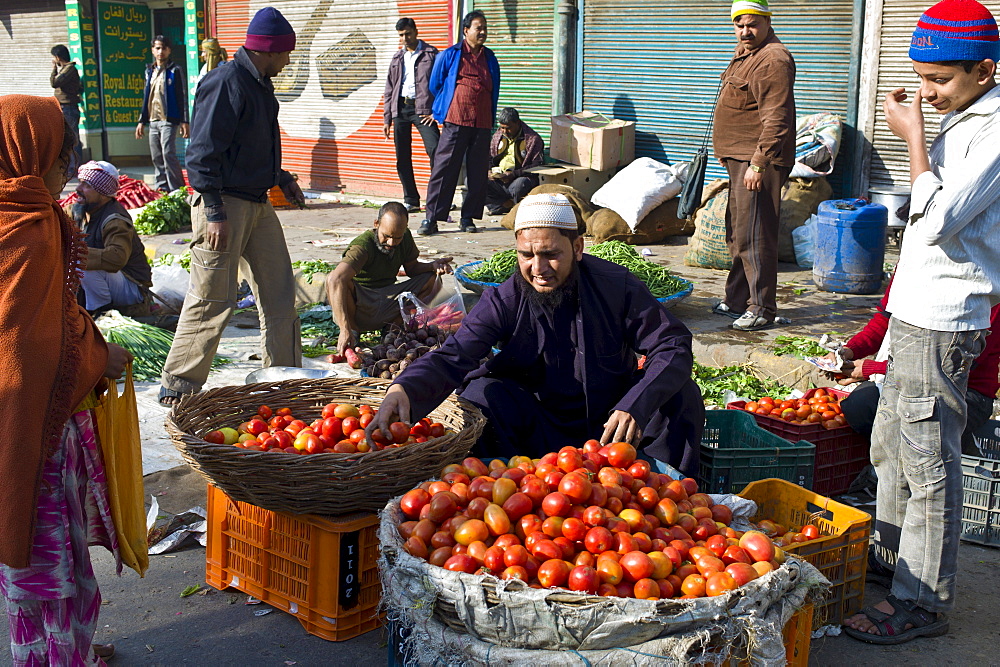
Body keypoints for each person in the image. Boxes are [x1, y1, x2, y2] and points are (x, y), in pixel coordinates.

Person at [843, 0, 1000, 645]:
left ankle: (923, 600)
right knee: (891, 448)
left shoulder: (992, 133)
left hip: (945, 318)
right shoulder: (961, 120)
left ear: (985, 70)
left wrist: (908, 138)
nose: (927, 92)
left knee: (930, 459)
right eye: (922, 77)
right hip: (913, 309)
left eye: (941, 80)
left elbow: (937, 220)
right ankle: (891, 565)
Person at [370, 193, 705, 472]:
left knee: (680, 393)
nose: (538, 268)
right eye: (526, 255)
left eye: (550, 255)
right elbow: (453, 356)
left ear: (577, 248)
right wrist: (404, 390)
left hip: (613, 429)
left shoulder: (616, 285)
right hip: (537, 431)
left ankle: (669, 493)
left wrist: (636, 404)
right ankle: (503, 485)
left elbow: (673, 344)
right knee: (481, 393)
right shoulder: (504, 299)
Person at [0, 94, 132, 666]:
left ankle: (67, 649)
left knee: (56, 559)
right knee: (45, 561)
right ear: (25, 155)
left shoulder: (41, 219)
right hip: (33, 430)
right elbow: (29, 347)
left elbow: (54, 320)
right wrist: (99, 357)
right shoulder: (27, 232)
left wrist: (88, 346)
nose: (64, 166)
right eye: (58, 154)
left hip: (36, 421)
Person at [159, 7, 305, 406]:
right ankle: (179, 385)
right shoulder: (225, 82)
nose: (288, 61)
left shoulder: (259, 84)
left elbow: (250, 146)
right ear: (269, 50)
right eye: (285, 54)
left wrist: (282, 177)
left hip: (257, 203)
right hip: (222, 202)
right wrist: (214, 212)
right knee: (213, 297)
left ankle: (285, 378)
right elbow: (202, 154)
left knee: (279, 292)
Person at [828, 275, 999, 455]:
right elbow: (884, 321)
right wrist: (850, 350)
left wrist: (873, 369)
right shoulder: (911, 265)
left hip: (964, 392)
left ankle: (958, 450)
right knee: (861, 405)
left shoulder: (988, 285)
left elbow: (954, 364)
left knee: (920, 423)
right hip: (909, 379)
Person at [710, 0, 796, 331]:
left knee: (755, 235)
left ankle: (761, 308)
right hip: (740, 158)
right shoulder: (746, 52)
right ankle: (736, 301)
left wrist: (759, 163)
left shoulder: (772, 60)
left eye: (753, 24)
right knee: (738, 232)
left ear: (767, 22)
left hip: (757, 160)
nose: (745, 31)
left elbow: (778, 117)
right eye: (739, 24)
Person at [326, 202, 453, 355]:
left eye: (397, 238)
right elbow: (334, 279)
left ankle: (392, 328)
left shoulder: (405, 238)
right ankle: (352, 332)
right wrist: (344, 328)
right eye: (386, 236)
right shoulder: (362, 246)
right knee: (338, 280)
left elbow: (412, 269)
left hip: (389, 297)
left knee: (432, 280)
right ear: (376, 224)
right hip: (361, 303)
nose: (392, 243)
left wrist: (433, 265)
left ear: (405, 228)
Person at [418, 11, 500, 236]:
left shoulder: (490, 58)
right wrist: (444, 108)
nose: (482, 32)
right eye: (478, 28)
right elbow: (435, 85)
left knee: (477, 172)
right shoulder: (450, 54)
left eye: (484, 28)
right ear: (466, 31)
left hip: (482, 122)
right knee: (444, 169)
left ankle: (468, 217)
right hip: (455, 119)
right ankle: (431, 218)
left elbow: (494, 87)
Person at [72, 160, 153, 316]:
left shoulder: (115, 220)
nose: (78, 189)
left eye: (87, 186)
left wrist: (74, 253)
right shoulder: (83, 210)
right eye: (80, 183)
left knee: (80, 262)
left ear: (103, 194)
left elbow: (116, 258)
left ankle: (99, 312)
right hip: (111, 282)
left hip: (132, 289)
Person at [384, 18, 440, 214]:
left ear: (416, 31)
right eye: (401, 35)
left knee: (436, 150)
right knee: (402, 156)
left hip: (423, 109)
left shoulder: (431, 54)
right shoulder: (397, 57)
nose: (405, 38)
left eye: (408, 33)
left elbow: (443, 84)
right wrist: (387, 117)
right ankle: (411, 199)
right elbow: (390, 88)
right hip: (400, 108)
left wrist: (437, 111)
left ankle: (438, 198)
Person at [136, 35, 189, 193]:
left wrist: (184, 120)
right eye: (157, 48)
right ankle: (162, 189)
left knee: (168, 153)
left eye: (163, 48)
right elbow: (147, 97)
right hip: (153, 120)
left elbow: (182, 96)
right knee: (156, 155)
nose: (160, 52)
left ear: (169, 50)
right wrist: (141, 121)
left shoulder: (175, 70)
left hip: (169, 120)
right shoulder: (149, 71)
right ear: (152, 50)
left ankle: (177, 189)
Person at [485, 107, 543, 215]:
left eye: (508, 128)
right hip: (499, 179)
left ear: (517, 123)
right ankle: (502, 205)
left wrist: (513, 174)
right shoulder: (498, 135)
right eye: (502, 128)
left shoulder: (533, 139)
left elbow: (537, 165)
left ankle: (518, 210)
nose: (505, 131)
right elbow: (489, 157)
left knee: (520, 185)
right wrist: (489, 171)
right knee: (474, 180)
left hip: (518, 179)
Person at [50, 44, 83, 172]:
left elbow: (55, 83)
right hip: (64, 107)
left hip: (68, 108)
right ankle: (70, 166)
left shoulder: (69, 69)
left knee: (72, 138)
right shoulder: (66, 69)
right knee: (67, 137)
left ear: (58, 57)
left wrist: (54, 69)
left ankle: (74, 167)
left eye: (55, 58)